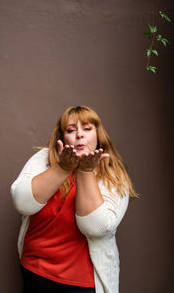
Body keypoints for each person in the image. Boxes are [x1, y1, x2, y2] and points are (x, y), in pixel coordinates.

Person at [11, 105, 137, 293]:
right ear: (62, 137)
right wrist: (63, 168)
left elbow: (96, 228)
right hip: (33, 271)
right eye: (71, 130)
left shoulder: (113, 174)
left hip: (79, 282)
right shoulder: (43, 158)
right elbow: (22, 202)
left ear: (98, 135)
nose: (79, 135)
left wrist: (85, 171)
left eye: (87, 128)